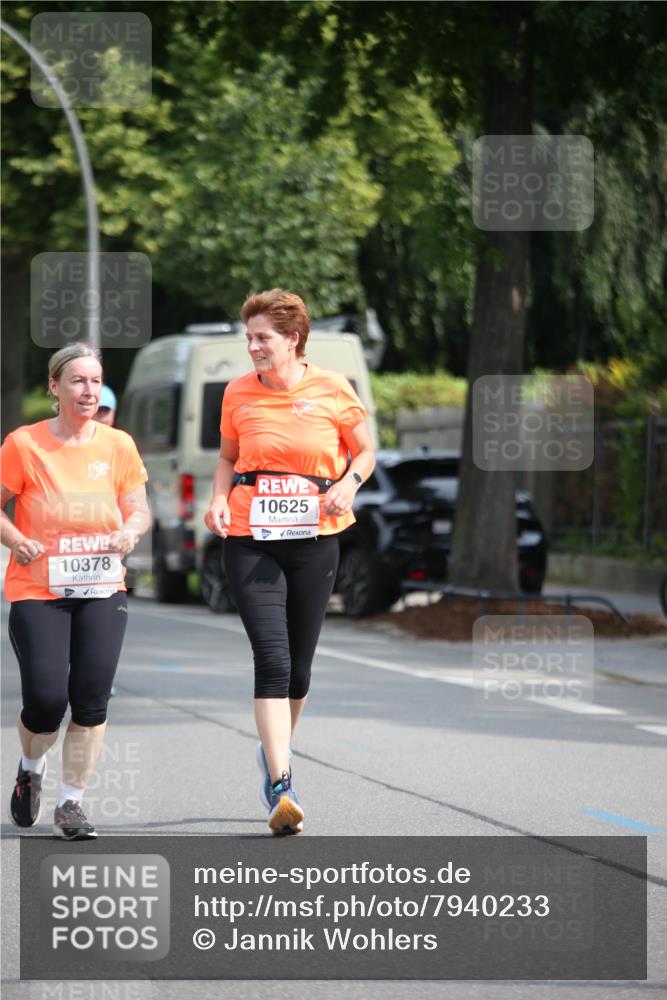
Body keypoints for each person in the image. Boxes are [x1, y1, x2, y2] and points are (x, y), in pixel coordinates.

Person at [204, 289, 375, 836]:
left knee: (299, 671)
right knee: (273, 661)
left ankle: (274, 751)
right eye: (249, 338)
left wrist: (349, 484)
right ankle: (281, 784)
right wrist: (217, 499)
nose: (253, 347)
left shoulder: (332, 387)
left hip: (315, 536)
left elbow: (365, 451)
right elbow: (228, 457)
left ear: (293, 339)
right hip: (250, 536)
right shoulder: (237, 391)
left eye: (263, 338)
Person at [0, 343, 150, 840]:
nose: (89, 391)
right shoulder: (24, 444)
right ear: (55, 386)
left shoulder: (118, 445)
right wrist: (16, 539)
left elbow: (138, 509)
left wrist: (129, 531)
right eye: (78, 381)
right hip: (38, 588)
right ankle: (30, 767)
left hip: (102, 586)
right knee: (46, 702)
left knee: (90, 701)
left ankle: (71, 805)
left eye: (95, 381)